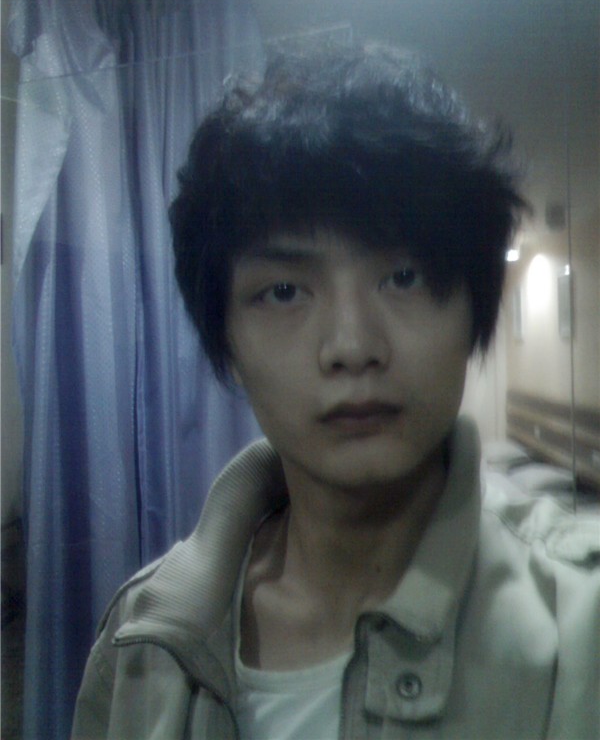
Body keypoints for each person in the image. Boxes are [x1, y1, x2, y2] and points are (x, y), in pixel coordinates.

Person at [72, 42, 599, 740]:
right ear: (226, 342)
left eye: (404, 277)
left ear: (473, 308)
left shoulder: (580, 623)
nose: (352, 345)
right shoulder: (142, 646)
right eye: (284, 291)